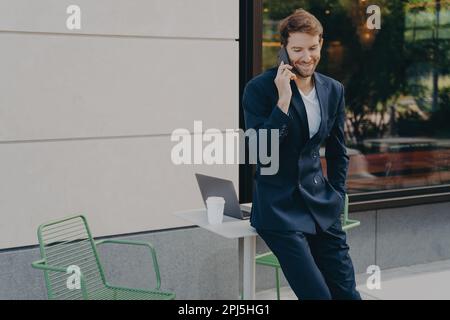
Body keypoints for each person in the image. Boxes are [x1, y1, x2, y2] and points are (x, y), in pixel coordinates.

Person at [242, 9, 361, 300]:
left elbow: (337, 151)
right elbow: (259, 150)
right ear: (284, 48)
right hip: (279, 210)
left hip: (322, 206)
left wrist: (338, 196)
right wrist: (282, 101)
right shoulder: (259, 89)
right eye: (297, 49)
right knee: (318, 296)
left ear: (321, 43)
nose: (306, 57)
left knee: (346, 292)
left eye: (312, 47)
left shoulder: (333, 90)